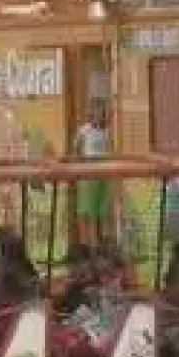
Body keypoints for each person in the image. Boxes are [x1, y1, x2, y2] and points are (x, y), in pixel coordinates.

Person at [74, 100, 112, 247]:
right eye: (96, 111)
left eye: (101, 112)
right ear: (91, 113)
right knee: (88, 212)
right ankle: (91, 247)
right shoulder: (84, 130)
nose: (98, 114)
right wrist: (80, 165)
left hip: (104, 175)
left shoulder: (106, 131)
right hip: (89, 175)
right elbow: (76, 148)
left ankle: (103, 246)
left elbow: (109, 151)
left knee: (103, 212)